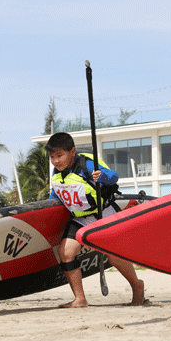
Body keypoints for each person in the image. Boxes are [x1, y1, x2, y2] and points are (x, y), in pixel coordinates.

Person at [46, 132, 144, 308]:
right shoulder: (57, 173)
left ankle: (137, 287)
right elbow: (57, 194)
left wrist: (101, 177)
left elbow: (113, 176)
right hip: (80, 218)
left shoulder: (87, 165)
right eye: (52, 157)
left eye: (60, 156)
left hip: (103, 215)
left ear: (73, 151)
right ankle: (80, 299)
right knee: (66, 253)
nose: (56, 161)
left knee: (114, 257)